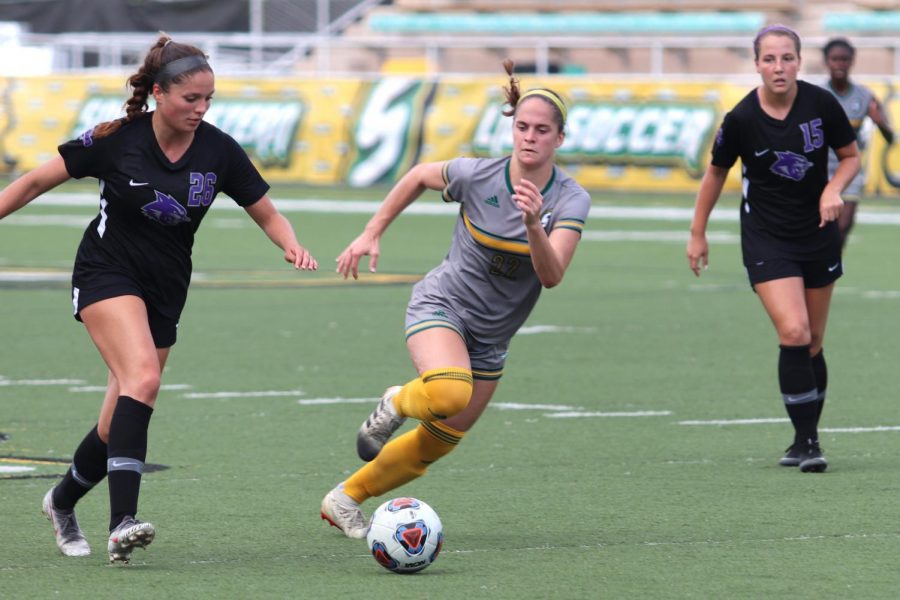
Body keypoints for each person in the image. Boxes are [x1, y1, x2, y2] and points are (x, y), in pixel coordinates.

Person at [0, 35, 318, 563]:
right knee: (143, 377)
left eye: (209, 99)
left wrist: (291, 244)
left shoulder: (219, 149)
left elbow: (265, 210)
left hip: (166, 289)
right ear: (158, 94)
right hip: (106, 272)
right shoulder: (114, 139)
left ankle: (61, 502)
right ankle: (123, 523)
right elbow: (34, 182)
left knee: (116, 420)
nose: (201, 108)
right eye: (191, 98)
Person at [320, 59, 591, 538]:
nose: (530, 137)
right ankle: (397, 401)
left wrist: (533, 223)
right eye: (522, 126)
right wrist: (371, 232)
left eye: (542, 130)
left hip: (492, 337)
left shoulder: (570, 200)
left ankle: (345, 499)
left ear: (559, 139)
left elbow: (552, 276)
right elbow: (420, 176)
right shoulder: (479, 176)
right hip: (443, 306)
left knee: (438, 442)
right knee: (448, 392)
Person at [686, 25, 860, 473]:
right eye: (769, 59)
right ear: (757, 64)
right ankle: (807, 442)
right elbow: (715, 173)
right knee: (795, 333)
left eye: (787, 58)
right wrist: (697, 232)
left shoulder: (822, 105)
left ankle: (806, 439)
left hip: (818, 232)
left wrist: (833, 190)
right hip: (766, 236)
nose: (778, 67)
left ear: (800, 62)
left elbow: (851, 156)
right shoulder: (741, 119)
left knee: (814, 342)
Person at [822, 37, 894, 247]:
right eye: (835, 59)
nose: (839, 64)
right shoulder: (817, 95)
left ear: (852, 61)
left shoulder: (864, 96)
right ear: (827, 62)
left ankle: (829, 269)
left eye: (844, 59)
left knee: (843, 226)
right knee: (821, 226)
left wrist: (880, 122)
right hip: (820, 170)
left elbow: (890, 138)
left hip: (850, 170)